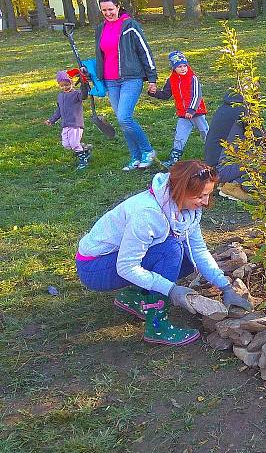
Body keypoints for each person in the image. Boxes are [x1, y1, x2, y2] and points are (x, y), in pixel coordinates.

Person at [75, 160, 253, 346]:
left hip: (114, 260)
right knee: (171, 250)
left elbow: (198, 250)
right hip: (94, 267)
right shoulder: (147, 214)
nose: (206, 202)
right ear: (182, 191)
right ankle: (157, 326)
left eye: (208, 194)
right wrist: (171, 289)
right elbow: (126, 267)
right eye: (201, 196)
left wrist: (225, 287)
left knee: (187, 257)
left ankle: (134, 297)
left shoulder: (186, 211)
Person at [95, 0, 158, 171]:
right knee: (122, 120)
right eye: (104, 10)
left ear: (117, 7)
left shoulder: (129, 25)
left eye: (110, 9)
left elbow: (144, 50)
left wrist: (151, 78)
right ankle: (135, 157)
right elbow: (101, 55)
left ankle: (147, 151)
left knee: (124, 117)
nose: (108, 13)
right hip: (110, 80)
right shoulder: (100, 29)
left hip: (131, 78)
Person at [148, 51, 209, 168]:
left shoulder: (193, 78)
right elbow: (166, 95)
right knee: (179, 136)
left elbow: (197, 95)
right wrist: (154, 93)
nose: (183, 69)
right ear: (173, 68)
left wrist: (192, 110)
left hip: (197, 113)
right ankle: (174, 159)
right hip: (182, 114)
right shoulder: (171, 80)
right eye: (179, 66)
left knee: (205, 133)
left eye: (184, 66)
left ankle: (213, 154)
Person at [203, 91, 253, 203]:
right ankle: (234, 186)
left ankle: (223, 182)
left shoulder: (225, 107)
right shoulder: (244, 111)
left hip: (211, 165)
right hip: (221, 170)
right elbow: (261, 139)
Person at [45, 70, 92, 170]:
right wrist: (52, 120)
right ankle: (85, 148)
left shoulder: (76, 94)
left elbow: (84, 96)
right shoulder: (60, 96)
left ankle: (83, 160)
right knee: (66, 145)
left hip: (75, 124)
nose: (64, 87)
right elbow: (59, 110)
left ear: (71, 83)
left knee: (74, 144)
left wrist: (83, 83)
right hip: (65, 125)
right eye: (62, 86)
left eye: (67, 84)